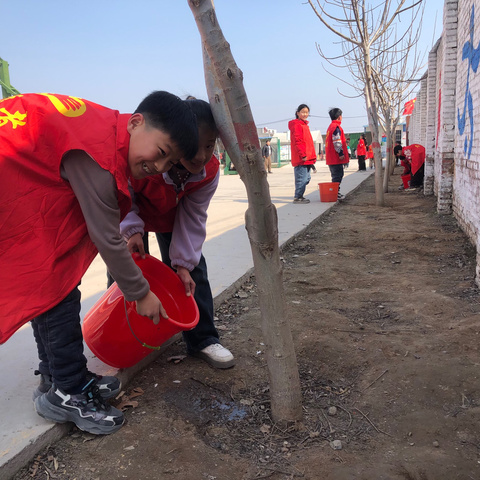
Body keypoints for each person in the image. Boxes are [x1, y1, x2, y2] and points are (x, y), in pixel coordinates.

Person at [0, 91, 198, 435]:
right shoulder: (99, 156)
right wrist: (140, 292)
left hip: (21, 177)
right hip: (12, 178)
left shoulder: (106, 131)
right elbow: (107, 237)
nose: (160, 168)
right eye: (162, 153)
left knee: (53, 281)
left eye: (170, 164)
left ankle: (57, 374)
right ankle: (69, 391)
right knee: (56, 286)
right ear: (136, 123)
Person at [114, 98, 234, 369]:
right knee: (125, 267)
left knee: (193, 272)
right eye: (194, 146)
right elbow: (124, 193)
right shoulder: (150, 157)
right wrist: (131, 229)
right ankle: (128, 340)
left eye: (209, 145)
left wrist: (182, 264)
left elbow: (193, 216)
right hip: (132, 214)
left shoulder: (208, 172)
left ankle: (202, 339)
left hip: (174, 219)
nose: (201, 155)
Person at [288, 104, 317, 203]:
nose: (305, 114)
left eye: (307, 112)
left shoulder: (304, 125)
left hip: (307, 158)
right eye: (303, 112)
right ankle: (298, 197)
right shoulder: (297, 125)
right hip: (302, 158)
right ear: (298, 113)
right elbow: (298, 141)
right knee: (302, 179)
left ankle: (300, 195)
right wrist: (303, 154)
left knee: (306, 178)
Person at [325, 108, 350, 199]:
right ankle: (335, 193)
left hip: (331, 157)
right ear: (339, 117)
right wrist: (340, 153)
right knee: (337, 176)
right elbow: (337, 142)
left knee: (336, 175)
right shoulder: (336, 127)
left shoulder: (330, 127)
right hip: (335, 158)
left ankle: (336, 192)